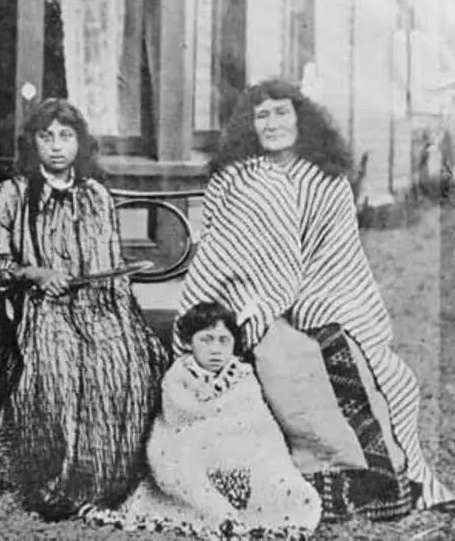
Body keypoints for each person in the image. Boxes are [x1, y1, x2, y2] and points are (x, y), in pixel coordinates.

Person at [173, 78, 453, 518]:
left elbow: (338, 254)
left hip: (322, 295)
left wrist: (312, 301)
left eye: (281, 112)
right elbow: (223, 250)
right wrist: (261, 303)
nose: (272, 123)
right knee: (289, 362)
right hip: (250, 300)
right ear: (249, 124)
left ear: (301, 118)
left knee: (378, 367)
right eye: (261, 115)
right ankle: (315, 482)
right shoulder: (234, 178)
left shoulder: (327, 180)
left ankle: (387, 480)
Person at [0, 98, 168, 519]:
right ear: (33, 143)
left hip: (96, 305)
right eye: (47, 137)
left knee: (127, 363)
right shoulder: (11, 196)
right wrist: (36, 273)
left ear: (80, 142)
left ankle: (109, 480)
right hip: (38, 308)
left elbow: (110, 272)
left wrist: (124, 322)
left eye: (66, 136)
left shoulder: (96, 196)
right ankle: (56, 484)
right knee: (59, 369)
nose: (57, 146)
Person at [82, 303, 321, 539]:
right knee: (174, 460)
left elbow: (257, 425)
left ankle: (252, 509)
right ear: (188, 343)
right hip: (192, 450)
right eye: (206, 340)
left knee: (284, 484)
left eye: (223, 340)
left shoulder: (243, 378)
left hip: (242, 453)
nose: (215, 349)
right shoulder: (177, 377)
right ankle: (213, 510)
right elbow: (176, 421)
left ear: (234, 345)